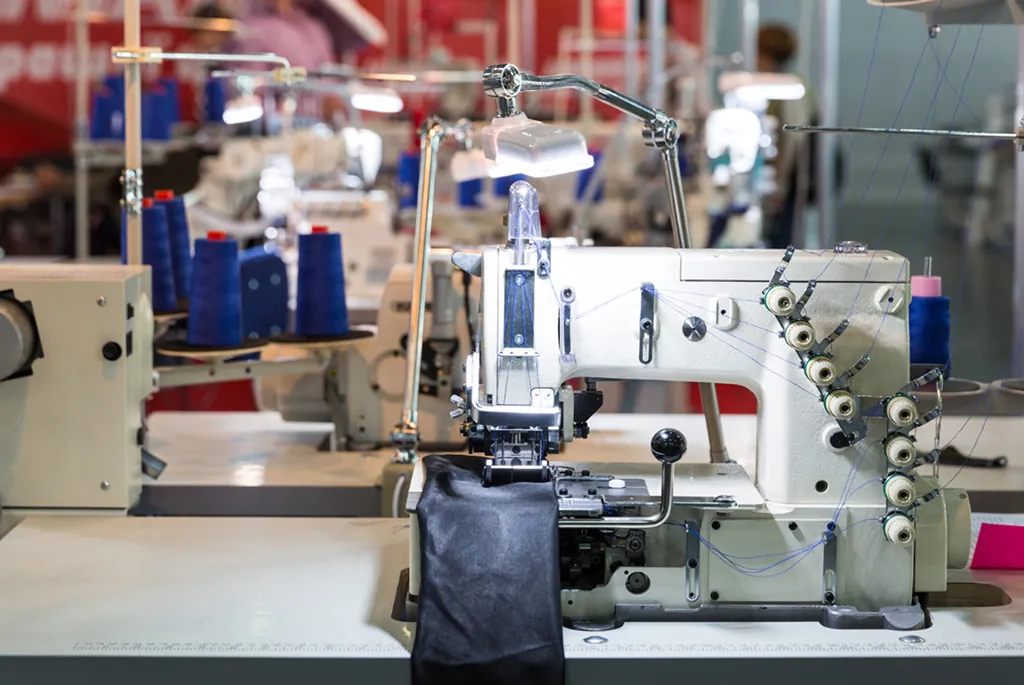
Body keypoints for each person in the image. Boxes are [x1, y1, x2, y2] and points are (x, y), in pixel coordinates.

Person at [757, 23, 842, 249]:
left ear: (765, 54)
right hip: (791, 181)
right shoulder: (783, 84)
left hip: (793, 183)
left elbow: (791, 141)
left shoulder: (789, 88)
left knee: (783, 242)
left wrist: (779, 187)